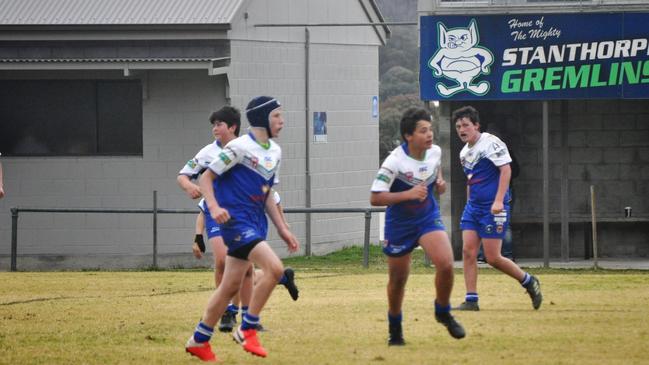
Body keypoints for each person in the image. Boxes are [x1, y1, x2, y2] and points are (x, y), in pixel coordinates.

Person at [185, 96, 300, 361]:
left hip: (254, 224)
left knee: (228, 287)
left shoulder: (275, 152)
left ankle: (199, 340)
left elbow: (267, 192)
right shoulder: (238, 147)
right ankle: (247, 329)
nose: (282, 121)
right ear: (262, 118)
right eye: (277, 116)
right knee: (275, 269)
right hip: (235, 222)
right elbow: (206, 177)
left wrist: (282, 228)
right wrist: (213, 208)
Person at [370, 107, 465, 346]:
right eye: (423, 131)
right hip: (399, 224)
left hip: (426, 218)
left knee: (445, 263)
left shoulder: (435, 151)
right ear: (408, 136)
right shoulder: (394, 161)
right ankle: (395, 328)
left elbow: (434, 170)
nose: (430, 134)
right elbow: (375, 198)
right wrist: (409, 194)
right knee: (398, 280)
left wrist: (439, 184)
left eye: (430, 129)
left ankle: (442, 311)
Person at [452, 106, 542, 312]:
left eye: (466, 125)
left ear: (476, 125)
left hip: (493, 208)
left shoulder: (490, 142)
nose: (461, 129)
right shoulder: (464, 153)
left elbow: (506, 170)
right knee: (468, 251)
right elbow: (471, 181)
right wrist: (468, 204)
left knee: (493, 257)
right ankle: (471, 300)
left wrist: (499, 201)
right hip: (473, 208)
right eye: (458, 126)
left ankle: (529, 281)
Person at [476, 123, 519, 262]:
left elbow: (514, 171)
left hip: (504, 192)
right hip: (487, 193)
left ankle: (506, 254)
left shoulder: (503, 151)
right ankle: (485, 255)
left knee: (503, 223)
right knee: (486, 221)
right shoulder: (482, 152)